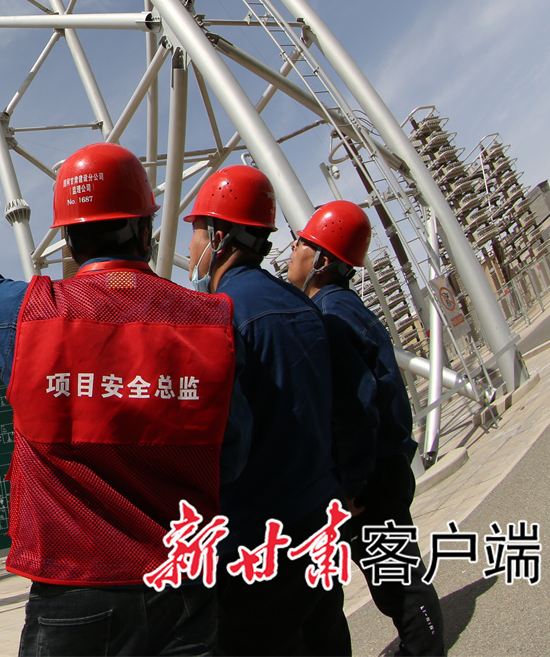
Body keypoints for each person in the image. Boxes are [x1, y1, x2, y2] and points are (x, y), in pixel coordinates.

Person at [0, 143, 249, 657]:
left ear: (69, 240)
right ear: (146, 230)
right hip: (185, 586)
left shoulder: (31, 316)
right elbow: (233, 453)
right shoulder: (211, 320)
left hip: (75, 590)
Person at [184, 165, 371, 656]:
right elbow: (350, 406)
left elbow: (214, 442)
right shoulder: (302, 303)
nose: (190, 248)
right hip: (318, 519)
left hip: (255, 540)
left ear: (219, 237)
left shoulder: (218, 317)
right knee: (327, 640)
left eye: (196, 232)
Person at [290, 201, 445, 656]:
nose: (291, 252)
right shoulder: (344, 306)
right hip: (386, 462)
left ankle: (425, 649)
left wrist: (352, 484)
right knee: (397, 579)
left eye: (300, 243)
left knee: (400, 586)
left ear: (321, 259)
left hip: (371, 475)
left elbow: (356, 409)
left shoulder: (329, 317)